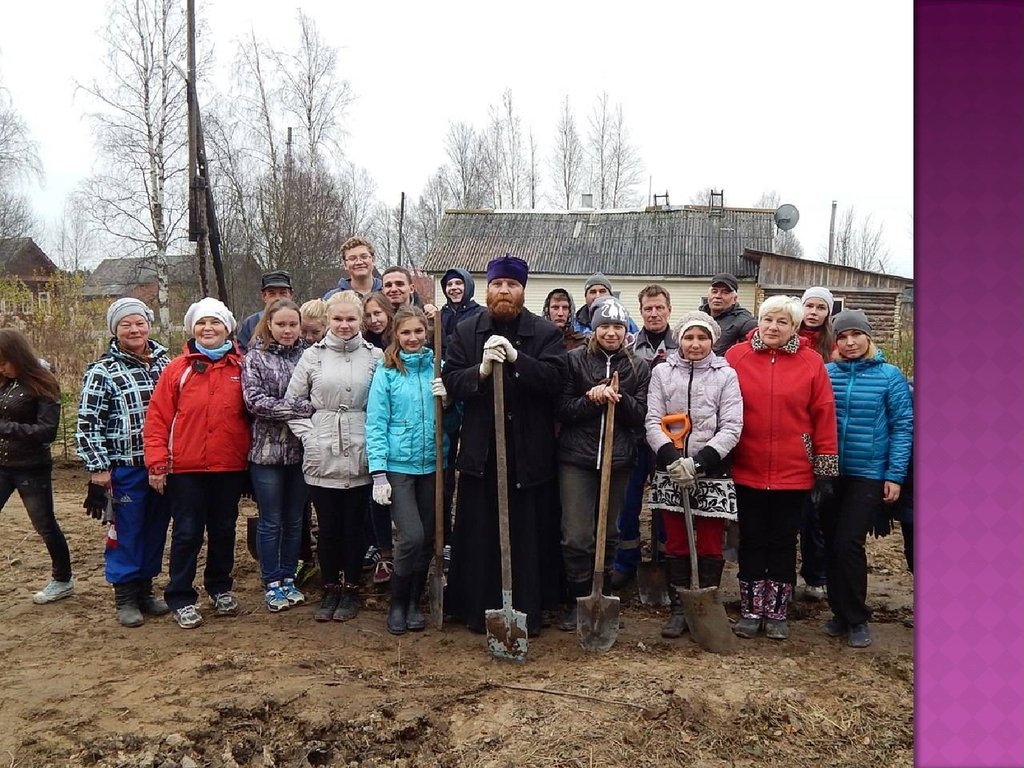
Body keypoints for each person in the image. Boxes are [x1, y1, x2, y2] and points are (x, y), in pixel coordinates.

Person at [442, 254, 568, 636]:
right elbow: (451, 381)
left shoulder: (544, 333)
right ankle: (476, 607)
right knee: (481, 531)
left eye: (512, 285)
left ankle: (529, 606)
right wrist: (480, 372)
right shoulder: (466, 331)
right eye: (498, 285)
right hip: (482, 450)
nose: (504, 292)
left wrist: (517, 360)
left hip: (528, 452)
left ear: (522, 291)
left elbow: (555, 380)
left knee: (529, 533)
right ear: (488, 288)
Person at [725, 295, 838, 640]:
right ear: (759, 321)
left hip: (793, 470)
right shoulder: (736, 357)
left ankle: (776, 610)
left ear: (794, 326)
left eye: (782, 322)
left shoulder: (810, 362)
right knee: (752, 538)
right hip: (747, 464)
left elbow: (823, 412)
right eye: (768, 320)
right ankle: (749, 608)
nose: (773, 327)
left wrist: (824, 466)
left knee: (784, 540)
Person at [144, 297, 250, 629]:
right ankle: (181, 596)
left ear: (227, 328)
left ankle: (220, 588)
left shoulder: (242, 367)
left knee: (223, 530)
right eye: (202, 323)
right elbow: (158, 418)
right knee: (187, 532)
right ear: (193, 329)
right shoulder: (178, 368)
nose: (208, 329)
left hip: (229, 466)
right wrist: (157, 463)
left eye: (215, 323)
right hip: (185, 468)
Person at [286, 291, 383, 622]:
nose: (344, 325)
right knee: (327, 526)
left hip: (361, 445)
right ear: (328, 319)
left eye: (351, 319)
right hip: (322, 446)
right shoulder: (312, 357)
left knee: (355, 525)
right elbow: (293, 402)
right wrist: (310, 436)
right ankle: (329, 588)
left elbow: (383, 403)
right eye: (338, 319)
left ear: (361, 320)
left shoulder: (374, 356)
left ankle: (352, 588)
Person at [645, 311, 743, 637]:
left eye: (702, 338)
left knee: (711, 542)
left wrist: (699, 462)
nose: (695, 344)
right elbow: (652, 421)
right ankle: (679, 607)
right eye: (689, 337)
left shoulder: (726, 375)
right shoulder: (661, 373)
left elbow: (732, 426)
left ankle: (707, 604)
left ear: (712, 341)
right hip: (670, 467)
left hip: (711, 469)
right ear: (680, 340)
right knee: (676, 540)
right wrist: (673, 458)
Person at [75, 298, 171, 626]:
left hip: (161, 466)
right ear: (115, 330)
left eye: (140, 323)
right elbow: (88, 422)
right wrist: (98, 469)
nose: (134, 329)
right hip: (124, 466)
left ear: (149, 325)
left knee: (155, 529)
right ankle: (125, 595)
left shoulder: (165, 363)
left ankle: (146, 589)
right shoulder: (102, 371)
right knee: (126, 530)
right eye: (126, 324)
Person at [555, 297, 649, 630]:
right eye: (605, 327)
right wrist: (591, 399)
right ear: (594, 330)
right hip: (577, 459)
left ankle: (603, 594)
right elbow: (562, 409)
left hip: (619, 458)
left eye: (618, 327)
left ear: (626, 332)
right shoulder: (574, 361)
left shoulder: (639, 366)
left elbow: (640, 417)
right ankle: (579, 598)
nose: (611, 333)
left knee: (609, 532)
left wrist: (618, 398)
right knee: (577, 535)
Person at [821, 310, 913, 648]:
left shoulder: (890, 376)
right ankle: (838, 613)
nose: (849, 342)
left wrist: (895, 475)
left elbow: (902, 427)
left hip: (869, 473)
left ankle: (858, 618)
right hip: (831, 472)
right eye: (842, 337)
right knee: (830, 543)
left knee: (849, 543)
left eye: (855, 335)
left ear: (868, 338)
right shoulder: (826, 373)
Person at [366, 306, 454, 634]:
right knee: (411, 537)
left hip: (434, 465)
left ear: (426, 333)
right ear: (396, 336)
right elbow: (375, 423)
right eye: (406, 333)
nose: (413, 338)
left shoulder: (438, 368)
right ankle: (398, 603)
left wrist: (449, 400)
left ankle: (415, 603)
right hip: (399, 467)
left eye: (418, 332)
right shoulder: (386, 372)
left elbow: (453, 424)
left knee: (428, 538)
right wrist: (378, 473)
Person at [241, 298, 314, 612]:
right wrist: (297, 409)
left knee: (295, 519)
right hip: (267, 454)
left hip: (300, 453)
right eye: (281, 324)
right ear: (269, 324)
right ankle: (271, 580)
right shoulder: (254, 357)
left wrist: (295, 408)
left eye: (292, 324)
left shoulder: (308, 355)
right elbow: (255, 402)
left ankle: (289, 576)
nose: (287, 330)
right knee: (271, 521)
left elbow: (318, 397)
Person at [610, 284, 678, 587]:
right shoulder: (628, 347)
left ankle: (664, 560)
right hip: (634, 437)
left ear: (668, 309)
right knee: (628, 502)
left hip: (670, 439)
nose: (654, 313)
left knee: (665, 502)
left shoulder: (683, 344)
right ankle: (626, 560)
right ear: (641, 312)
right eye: (648, 308)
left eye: (659, 307)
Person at [0, 329, 72, 605]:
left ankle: (63, 578)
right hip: (2, 464)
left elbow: (46, 431)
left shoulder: (43, 384)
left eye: (4, 362)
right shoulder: (5, 381)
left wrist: (5, 428)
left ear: (17, 356)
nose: (2, 368)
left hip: (31, 467)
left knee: (44, 524)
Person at [795, 286, 836, 601]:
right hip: (794, 437)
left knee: (816, 517)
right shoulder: (789, 340)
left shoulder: (834, 348)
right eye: (809, 305)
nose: (813, 312)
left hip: (821, 437)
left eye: (820, 308)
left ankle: (815, 574)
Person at [359, 291, 397, 585]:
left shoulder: (402, 342)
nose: (373, 320)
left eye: (378, 314)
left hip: (403, 427)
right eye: (368, 315)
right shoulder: (363, 346)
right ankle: (383, 549)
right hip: (373, 424)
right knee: (376, 493)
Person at [699, 273, 757, 356]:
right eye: (714, 291)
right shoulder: (698, 318)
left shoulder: (746, 323)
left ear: (734, 299)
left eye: (725, 292)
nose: (718, 296)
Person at [236, 270, 295, 352]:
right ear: (264, 296)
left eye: (283, 293)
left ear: (291, 295)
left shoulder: (300, 322)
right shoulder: (250, 323)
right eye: (272, 294)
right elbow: (241, 354)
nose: (277, 298)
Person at [573, 273, 638, 335]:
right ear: (585, 297)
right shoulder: (575, 324)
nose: (598, 296)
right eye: (593, 292)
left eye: (602, 291)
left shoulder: (625, 321)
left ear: (611, 295)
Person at [324, 236, 384, 300]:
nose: (359, 262)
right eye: (352, 258)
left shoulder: (387, 294)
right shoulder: (332, 298)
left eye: (364, 257)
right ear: (345, 264)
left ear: (373, 260)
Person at [438, 268, 485, 347]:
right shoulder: (441, 315)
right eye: (449, 284)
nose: (453, 287)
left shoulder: (481, 314)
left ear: (468, 286)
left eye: (458, 283)